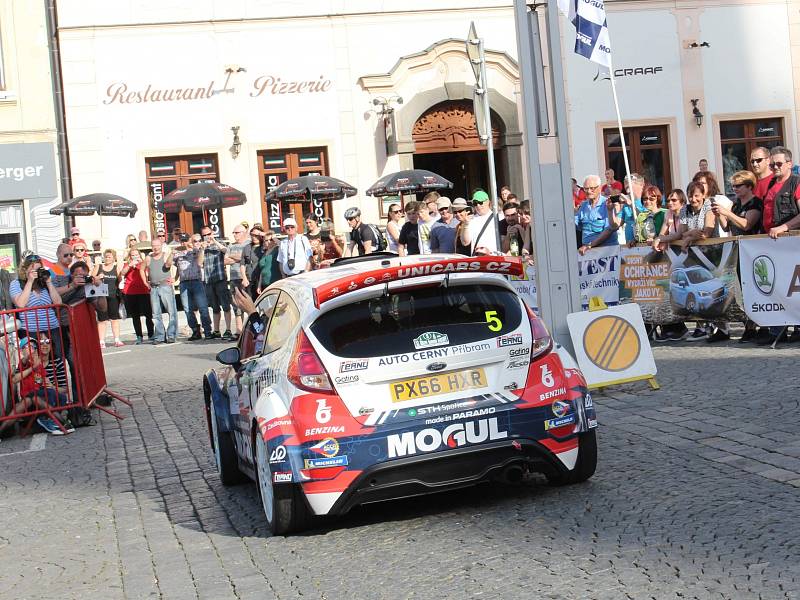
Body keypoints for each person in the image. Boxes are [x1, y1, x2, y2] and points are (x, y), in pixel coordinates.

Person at [756, 146, 800, 345]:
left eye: (779, 164)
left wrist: (784, 227)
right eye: (772, 164)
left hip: (792, 242)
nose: (774, 167)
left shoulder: (796, 183)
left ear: (789, 164)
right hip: (773, 243)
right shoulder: (771, 183)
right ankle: (777, 328)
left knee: (795, 287)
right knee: (778, 286)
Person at [174, 233, 212, 341]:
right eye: (182, 240)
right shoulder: (178, 253)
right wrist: (175, 277)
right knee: (187, 309)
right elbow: (176, 266)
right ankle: (195, 330)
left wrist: (198, 248)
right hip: (184, 282)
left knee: (203, 307)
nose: (184, 242)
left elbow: (200, 261)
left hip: (196, 281)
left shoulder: (196, 250)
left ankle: (207, 330)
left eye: (186, 240)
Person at [141, 238, 177, 344]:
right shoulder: (148, 258)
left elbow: (169, 265)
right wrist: (145, 282)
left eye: (157, 245)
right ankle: (160, 336)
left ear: (161, 245)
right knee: (156, 313)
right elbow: (141, 269)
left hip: (165, 286)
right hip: (153, 287)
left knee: (171, 311)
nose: (155, 248)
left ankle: (171, 335)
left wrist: (175, 277)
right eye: (153, 246)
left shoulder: (166, 255)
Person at [200, 225, 234, 340]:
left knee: (225, 305)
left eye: (208, 234)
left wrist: (214, 241)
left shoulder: (219, 243)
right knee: (214, 307)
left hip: (220, 278)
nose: (206, 237)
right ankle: (216, 330)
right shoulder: (202, 247)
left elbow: (227, 251)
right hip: (208, 280)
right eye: (204, 235)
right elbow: (199, 263)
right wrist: (202, 249)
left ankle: (228, 329)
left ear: (212, 233)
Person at [575, 175, 618, 254]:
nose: (588, 191)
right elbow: (576, 225)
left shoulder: (607, 204)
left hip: (607, 252)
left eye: (592, 188)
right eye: (586, 188)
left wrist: (590, 245)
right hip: (588, 253)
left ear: (600, 188)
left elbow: (609, 230)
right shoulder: (583, 206)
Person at [120, 247, 154, 344]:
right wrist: (130, 265)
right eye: (133, 255)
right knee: (135, 316)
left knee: (148, 314)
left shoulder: (143, 263)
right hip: (130, 292)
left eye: (136, 255)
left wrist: (141, 264)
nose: (135, 257)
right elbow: (122, 273)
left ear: (140, 255)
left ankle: (151, 334)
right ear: (130, 257)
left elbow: (148, 273)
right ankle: (139, 336)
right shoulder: (128, 264)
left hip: (143, 291)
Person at [92, 249, 124, 348]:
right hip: (101, 296)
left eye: (109, 256)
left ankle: (117, 340)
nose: (107, 258)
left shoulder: (116, 268)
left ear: (113, 258)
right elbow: (91, 278)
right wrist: (97, 277)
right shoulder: (99, 266)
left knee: (114, 319)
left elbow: (120, 280)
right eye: (106, 256)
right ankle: (101, 341)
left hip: (113, 296)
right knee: (102, 320)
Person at [225, 223, 248, 335]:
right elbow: (225, 261)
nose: (234, 235)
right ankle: (239, 331)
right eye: (233, 233)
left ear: (243, 233)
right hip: (234, 278)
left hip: (245, 277)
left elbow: (246, 258)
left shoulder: (248, 244)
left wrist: (233, 257)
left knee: (248, 303)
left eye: (237, 232)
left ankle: (251, 330)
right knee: (236, 305)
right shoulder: (230, 246)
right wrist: (239, 258)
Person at [465, 190, 499, 255]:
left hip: (494, 258)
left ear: (488, 202)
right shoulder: (472, 220)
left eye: (480, 202)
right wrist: (465, 224)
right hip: (477, 260)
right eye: (475, 203)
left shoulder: (498, 217)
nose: (478, 205)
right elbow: (466, 242)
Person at [241, 224, 266, 299]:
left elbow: (277, 242)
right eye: (252, 235)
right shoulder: (247, 247)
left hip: (262, 279)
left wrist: (264, 234)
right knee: (252, 302)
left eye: (256, 235)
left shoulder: (265, 246)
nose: (254, 237)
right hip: (250, 279)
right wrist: (244, 278)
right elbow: (242, 264)